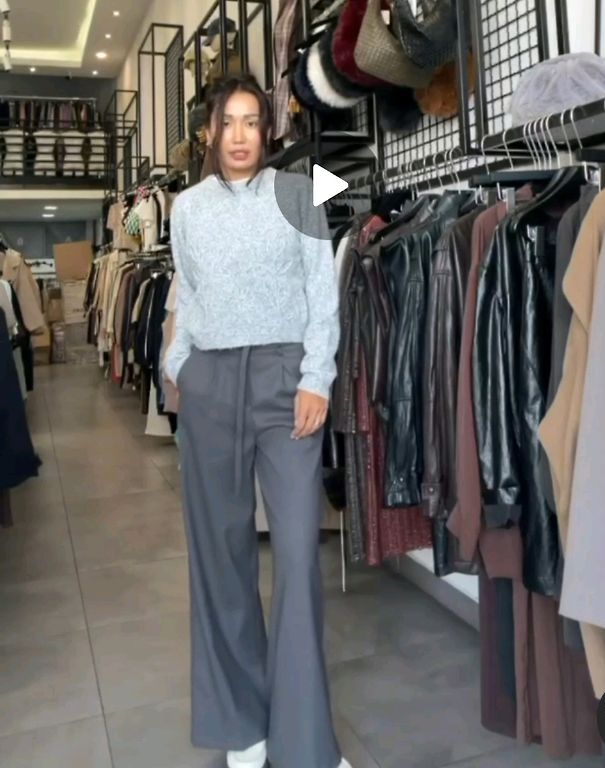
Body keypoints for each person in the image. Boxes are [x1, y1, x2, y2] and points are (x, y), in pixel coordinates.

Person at [164, 73, 351, 768]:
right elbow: (187, 291)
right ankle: (243, 727)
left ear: (268, 131)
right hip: (211, 382)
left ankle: (306, 742)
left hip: (284, 383)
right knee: (221, 557)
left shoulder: (302, 194)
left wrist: (316, 378)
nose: (239, 135)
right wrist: (178, 364)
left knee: (297, 552)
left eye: (252, 121)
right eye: (228, 122)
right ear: (209, 133)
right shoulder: (186, 208)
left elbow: (323, 293)